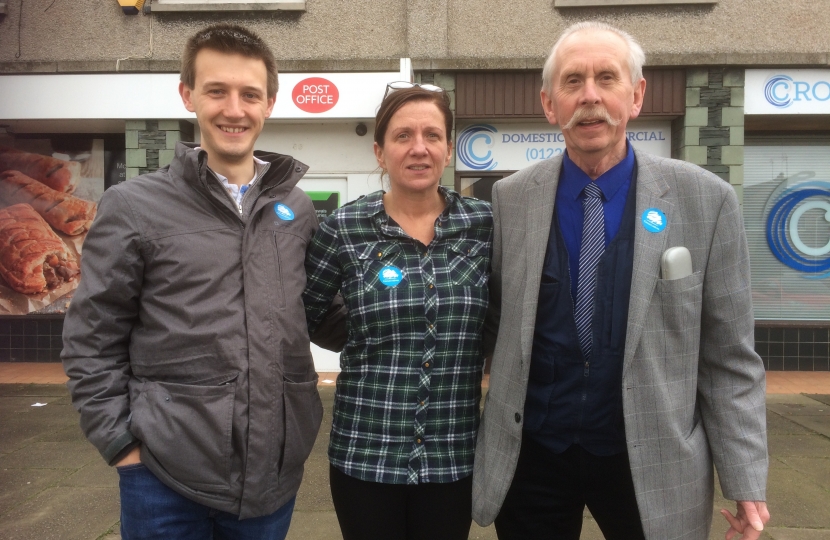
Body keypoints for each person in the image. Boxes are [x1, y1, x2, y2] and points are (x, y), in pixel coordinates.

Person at [471, 21, 770, 540]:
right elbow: (493, 322)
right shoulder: (510, 199)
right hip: (534, 457)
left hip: (651, 460)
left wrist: (746, 479)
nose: (590, 97)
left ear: (635, 96)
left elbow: (730, 359)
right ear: (549, 104)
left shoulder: (708, 201)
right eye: (572, 82)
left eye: (606, 78)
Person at [62, 23, 345, 540]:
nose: (233, 109)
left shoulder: (297, 209)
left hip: (272, 475)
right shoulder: (132, 206)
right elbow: (91, 337)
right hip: (162, 478)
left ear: (270, 103)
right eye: (217, 91)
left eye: (249, 94)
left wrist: (407, 311)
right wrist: (120, 445)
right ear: (187, 94)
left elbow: (316, 312)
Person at [302, 83, 493, 540]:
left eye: (432, 135)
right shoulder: (343, 228)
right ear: (380, 151)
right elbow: (304, 314)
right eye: (403, 136)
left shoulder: (485, 226)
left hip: (453, 452)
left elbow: (505, 314)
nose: (419, 148)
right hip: (366, 452)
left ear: (449, 148)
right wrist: (363, 336)